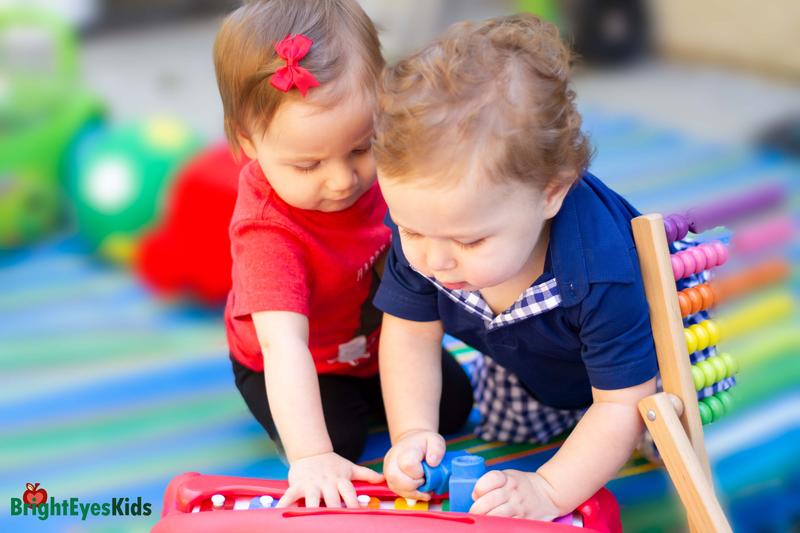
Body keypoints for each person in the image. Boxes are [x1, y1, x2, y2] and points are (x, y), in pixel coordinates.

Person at [373, 14, 658, 520]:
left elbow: (620, 403)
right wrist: (413, 431)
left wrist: (548, 490)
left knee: (653, 436)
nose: (434, 260)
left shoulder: (603, 270)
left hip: (641, 377)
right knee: (509, 429)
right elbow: (410, 334)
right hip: (530, 365)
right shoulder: (430, 225)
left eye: (470, 240)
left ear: (551, 193)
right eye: (410, 230)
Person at [213, 0, 473, 509]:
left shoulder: (385, 171)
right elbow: (283, 345)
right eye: (308, 165)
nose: (341, 180)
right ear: (249, 141)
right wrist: (311, 455)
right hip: (291, 360)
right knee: (337, 443)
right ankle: (300, 426)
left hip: (376, 344)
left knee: (453, 408)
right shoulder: (267, 230)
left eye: (360, 148)